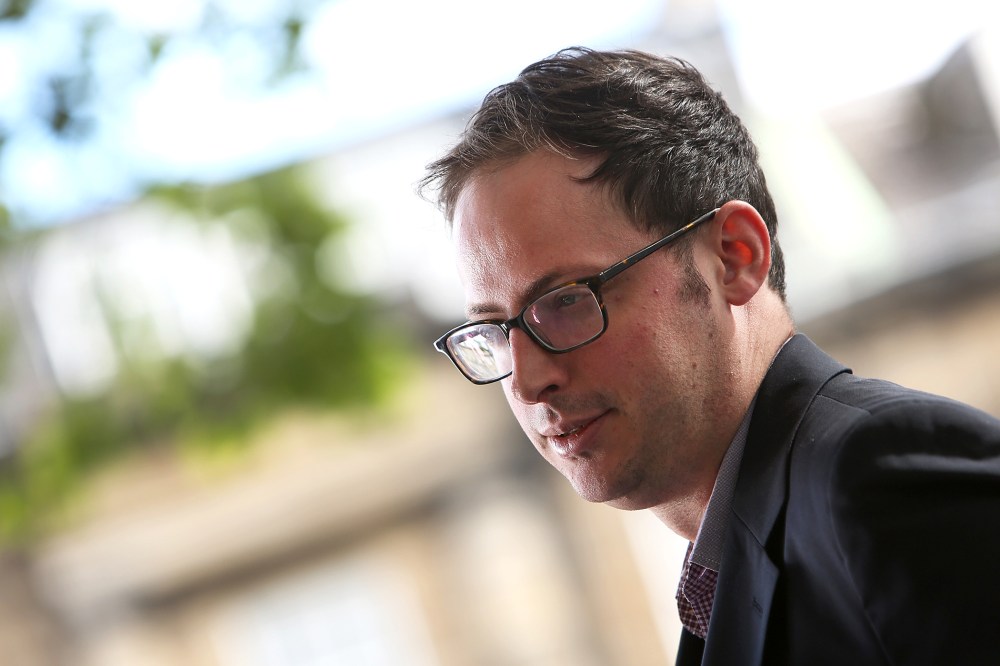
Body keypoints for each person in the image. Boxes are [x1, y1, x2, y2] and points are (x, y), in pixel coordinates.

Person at [418, 47, 1000, 665]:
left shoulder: (880, 474)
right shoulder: (728, 580)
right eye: (497, 331)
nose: (531, 382)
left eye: (566, 301)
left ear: (734, 257)